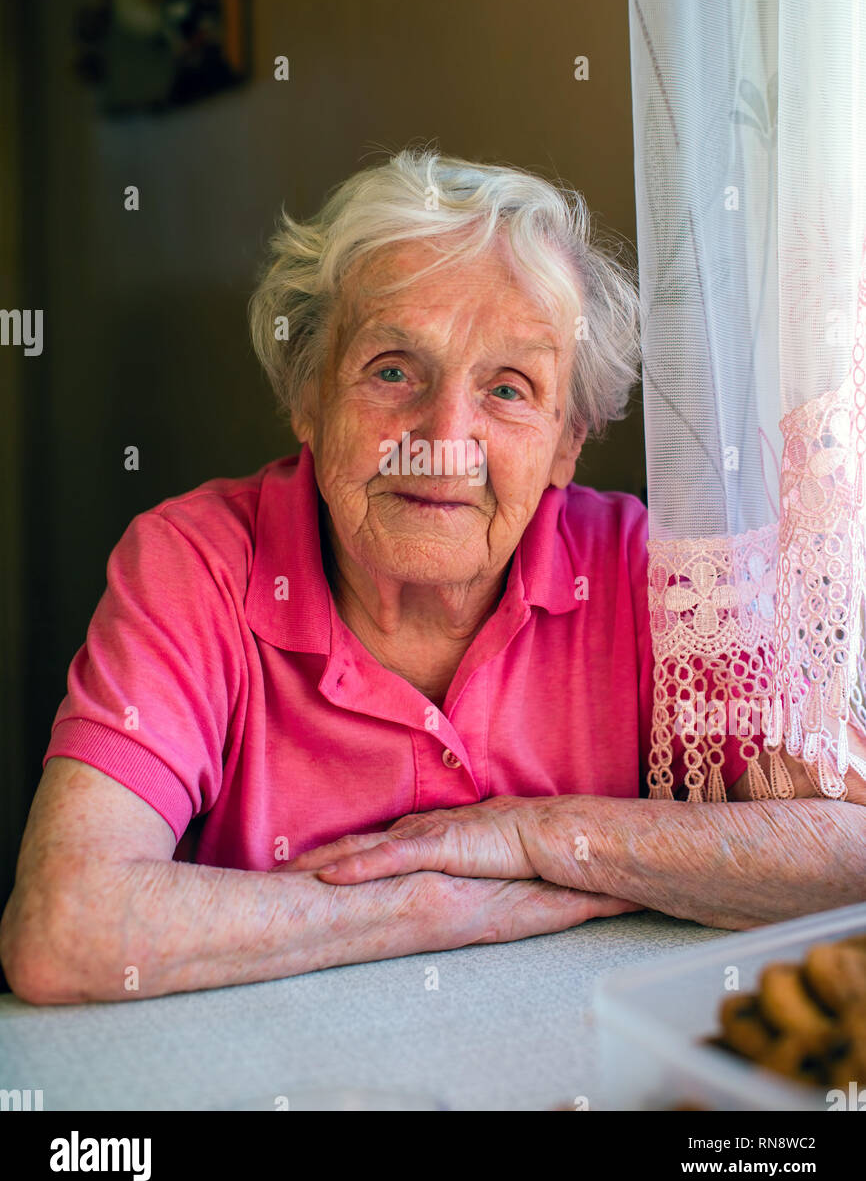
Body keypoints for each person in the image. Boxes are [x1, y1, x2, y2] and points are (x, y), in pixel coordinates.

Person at [2, 147, 864, 1005]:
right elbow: (66, 930)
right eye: (392, 371)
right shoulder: (197, 565)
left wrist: (538, 835)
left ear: (569, 441)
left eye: (510, 389)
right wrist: (425, 905)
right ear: (308, 395)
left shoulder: (655, 579)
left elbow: (850, 849)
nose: (444, 437)